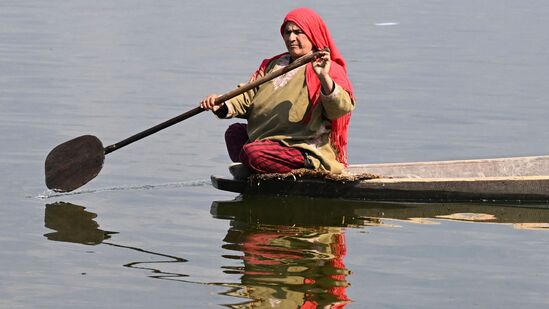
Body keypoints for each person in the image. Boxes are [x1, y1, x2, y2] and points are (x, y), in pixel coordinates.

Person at [200, 7, 355, 178]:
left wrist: (324, 77)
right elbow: (246, 96)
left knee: (252, 153)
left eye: (298, 32)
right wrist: (221, 103)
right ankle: (257, 167)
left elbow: (340, 109)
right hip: (269, 142)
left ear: (312, 33)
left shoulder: (328, 68)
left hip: (301, 147)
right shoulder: (272, 65)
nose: (291, 38)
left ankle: (302, 169)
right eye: (287, 32)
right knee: (235, 133)